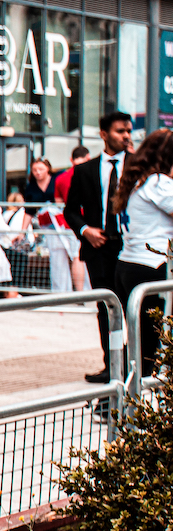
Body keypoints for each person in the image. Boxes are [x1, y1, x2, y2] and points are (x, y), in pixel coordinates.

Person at [65, 112, 135, 382]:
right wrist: (85, 231)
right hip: (99, 247)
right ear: (104, 134)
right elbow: (71, 210)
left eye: (128, 131)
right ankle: (112, 366)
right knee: (107, 308)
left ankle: (135, 364)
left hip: (132, 247)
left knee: (134, 307)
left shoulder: (139, 167)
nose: (126, 136)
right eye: (120, 131)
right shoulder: (85, 170)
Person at [112, 128, 173, 372]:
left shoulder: (137, 181)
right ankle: (119, 404)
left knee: (139, 343)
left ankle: (118, 401)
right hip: (151, 266)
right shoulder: (158, 182)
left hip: (129, 264)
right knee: (150, 345)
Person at [54, 145, 91, 291]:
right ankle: (82, 292)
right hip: (85, 222)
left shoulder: (61, 178)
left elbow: (58, 203)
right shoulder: (88, 174)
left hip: (67, 223)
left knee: (67, 259)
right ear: (88, 157)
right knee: (79, 258)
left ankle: (76, 292)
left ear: (71, 159)